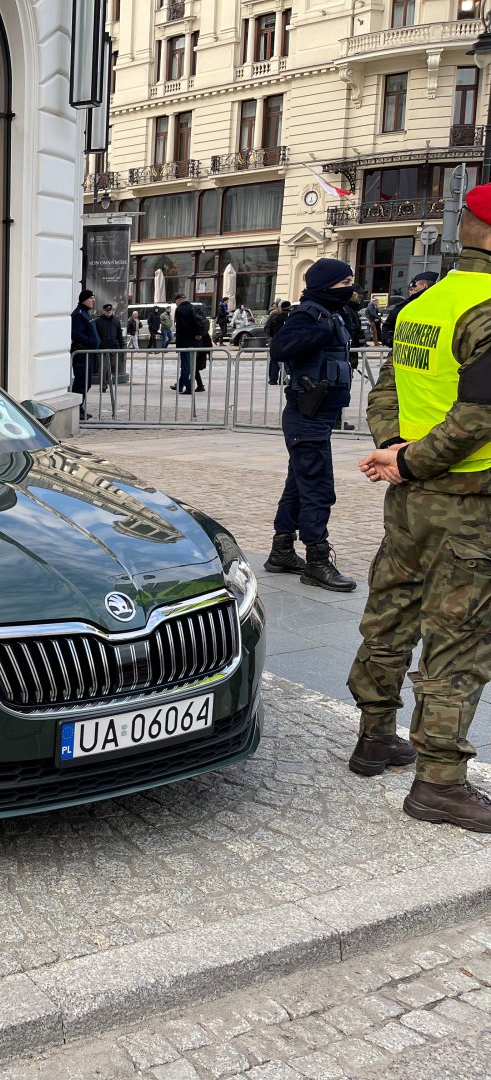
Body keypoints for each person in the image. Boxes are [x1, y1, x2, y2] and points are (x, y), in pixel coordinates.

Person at [347, 189, 491, 831]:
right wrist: (410, 460)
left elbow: (386, 390)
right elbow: (479, 417)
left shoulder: (424, 305)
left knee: (392, 612)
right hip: (469, 501)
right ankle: (439, 782)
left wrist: (392, 449)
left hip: (410, 504)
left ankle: (376, 736)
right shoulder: (485, 311)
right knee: (459, 638)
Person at [263, 258, 358, 592]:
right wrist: (319, 331)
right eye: (345, 282)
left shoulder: (331, 313)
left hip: (317, 416)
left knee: (299, 485)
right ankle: (316, 561)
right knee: (318, 488)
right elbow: (279, 348)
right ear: (326, 284)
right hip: (307, 416)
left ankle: (282, 551)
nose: (350, 287)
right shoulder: (311, 314)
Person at [379, 272, 439, 345]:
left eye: (415, 288)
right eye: (411, 289)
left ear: (424, 286)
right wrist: (389, 339)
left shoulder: (435, 306)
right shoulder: (403, 306)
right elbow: (388, 326)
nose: (413, 292)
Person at [70, 288, 99, 420]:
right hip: (82, 353)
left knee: (86, 383)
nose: (93, 300)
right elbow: (77, 334)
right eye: (91, 298)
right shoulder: (79, 314)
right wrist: (90, 342)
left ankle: (80, 408)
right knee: (81, 382)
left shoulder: (86, 313)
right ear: (84, 300)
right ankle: (77, 410)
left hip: (88, 353)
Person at [171, 294, 208, 394]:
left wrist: (192, 334)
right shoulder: (194, 307)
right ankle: (180, 385)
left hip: (185, 342)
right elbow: (198, 323)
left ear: (179, 300)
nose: (176, 304)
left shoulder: (180, 310)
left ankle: (188, 387)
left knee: (186, 366)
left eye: (176, 302)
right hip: (196, 342)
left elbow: (182, 327)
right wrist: (198, 334)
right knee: (192, 365)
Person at [95, 303, 124, 390]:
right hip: (102, 348)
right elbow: (95, 335)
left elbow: (119, 334)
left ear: (113, 311)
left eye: (110, 310)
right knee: (103, 367)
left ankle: (107, 380)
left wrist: (122, 346)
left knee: (112, 365)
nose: (109, 312)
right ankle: (103, 385)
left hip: (113, 347)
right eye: (107, 311)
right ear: (103, 311)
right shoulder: (98, 321)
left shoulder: (116, 320)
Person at [265, 300, 292, 383]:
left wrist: (271, 337)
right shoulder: (291, 317)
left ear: (280, 307)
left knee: (274, 361)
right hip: (288, 342)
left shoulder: (275, 317)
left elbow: (268, 328)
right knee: (287, 361)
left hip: (276, 341)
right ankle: (283, 379)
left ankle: (273, 379)